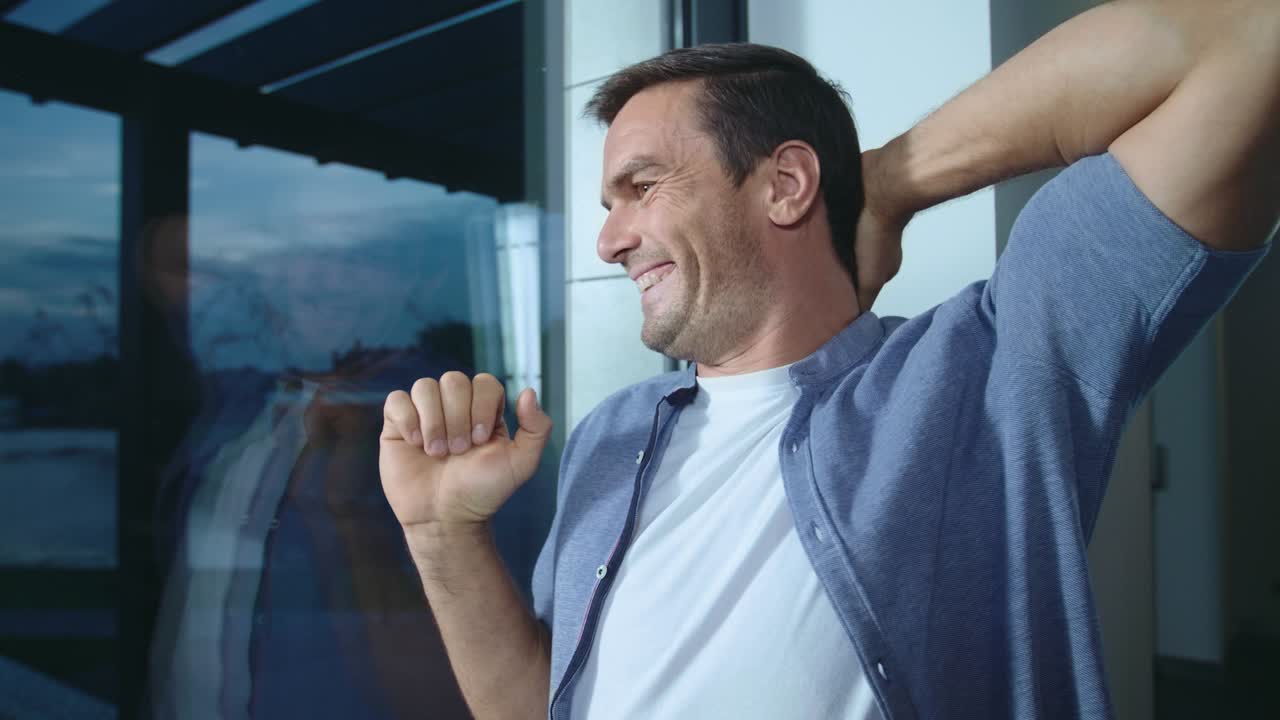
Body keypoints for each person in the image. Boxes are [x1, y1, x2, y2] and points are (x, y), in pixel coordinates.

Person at [379, 1, 1278, 718]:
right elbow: (533, 707)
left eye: (642, 187)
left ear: (785, 184)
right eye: (610, 205)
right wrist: (442, 535)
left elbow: (1245, 37)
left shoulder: (987, 373)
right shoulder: (610, 436)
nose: (609, 241)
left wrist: (886, 183)